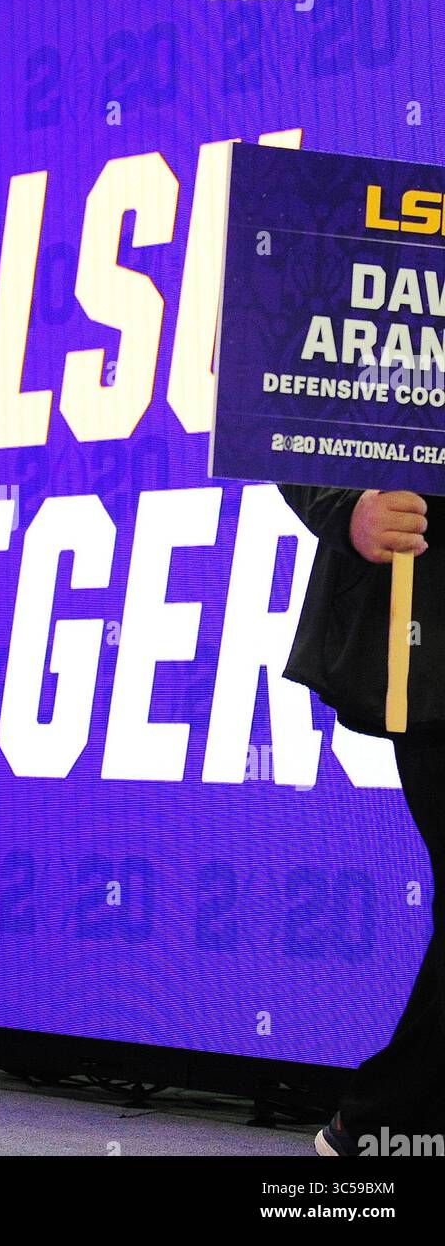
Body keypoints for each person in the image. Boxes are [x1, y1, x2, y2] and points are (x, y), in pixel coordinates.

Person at [279, 483, 445, 1154]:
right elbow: (283, 403)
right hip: (428, 627)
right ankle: (385, 1121)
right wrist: (345, 509)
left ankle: (387, 1119)